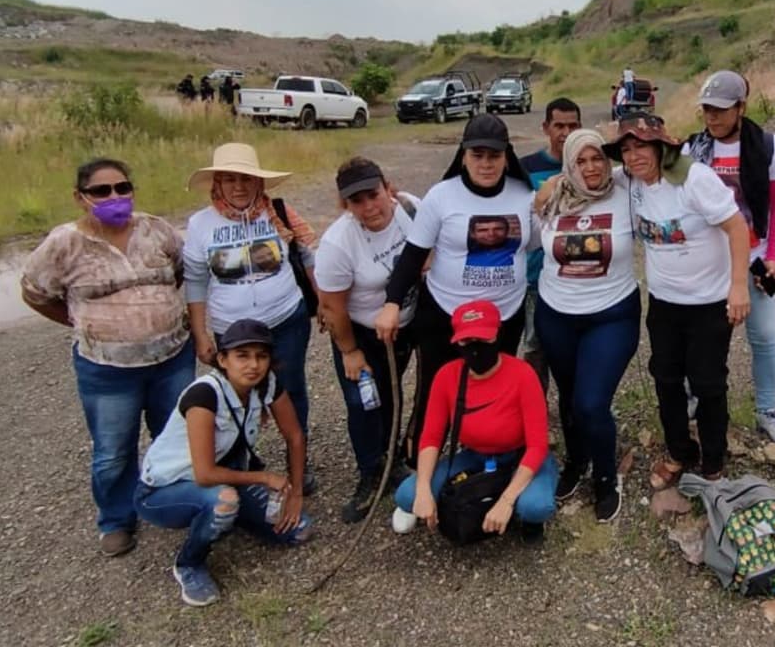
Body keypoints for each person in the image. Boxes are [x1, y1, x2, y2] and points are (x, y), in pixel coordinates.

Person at [20, 158, 196, 557]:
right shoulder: (64, 243)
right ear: (80, 198)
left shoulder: (156, 230)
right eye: (102, 191)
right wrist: (83, 321)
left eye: (122, 187)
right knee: (113, 449)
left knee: (176, 434)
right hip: (107, 369)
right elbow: (34, 293)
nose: (115, 196)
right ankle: (116, 520)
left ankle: (173, 500)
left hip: (172, 356)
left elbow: (181, 272)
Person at [375, 114, 536, 466]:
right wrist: (392, 302)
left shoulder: (524, 195)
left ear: (506, 156)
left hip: (503, 317)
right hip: (445, 314)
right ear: (463, 156)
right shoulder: (441, 196)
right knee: (435, 390)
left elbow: (534, 243)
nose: (486, 163)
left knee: (496, 389)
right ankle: (419, 461)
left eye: (494, 155)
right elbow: (413, 255)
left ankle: (482, 459)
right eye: (477, 155)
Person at [608, 113, 751, 486]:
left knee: (707, 383)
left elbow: (737, 227)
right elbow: (586, 174)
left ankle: (713, 461)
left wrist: (738, 287)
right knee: (666, 379)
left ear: (660, 145)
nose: (633, 155)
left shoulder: (694, 179)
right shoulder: (629, 181)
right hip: (665, 302)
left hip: (708, 303)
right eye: (625, 149)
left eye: (640, 145)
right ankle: (678, 451)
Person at [136, 319, 313, 606]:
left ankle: (234, 518)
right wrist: (265, 478)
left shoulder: (267, 384)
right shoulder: (204, 395)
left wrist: (296, 492)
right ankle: (189, 564)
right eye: (242, 356)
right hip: (164, 491)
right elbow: (205, 474)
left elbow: (294, 436)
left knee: (299, 529)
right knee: (224, 501)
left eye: (261, 356)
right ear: (223, 359)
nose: (253, 365)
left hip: (226, 478)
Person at [183, 142, 319, 492]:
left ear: (259, 182)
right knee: (236, 397)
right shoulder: (200, 225)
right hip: (231, 329)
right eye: (229, 179)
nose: (239, 187)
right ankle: (239, 468)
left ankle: (298, 464)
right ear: (217, 183)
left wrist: (326, 307)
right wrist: (201, 334)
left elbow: (307, 257)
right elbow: (196, 281)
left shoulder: (278, 212)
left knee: (291, 391)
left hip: (286, 318)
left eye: (246, 179)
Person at [533, 128, 639, 521]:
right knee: (568, 396)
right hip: (555, 313)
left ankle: (607, 476)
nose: (592, 167)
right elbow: (525, 240)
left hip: (611, 313)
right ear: (569, 164)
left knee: (591, 403)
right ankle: (577, 461)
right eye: (582, 160)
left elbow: (671, 174)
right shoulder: (552, 198)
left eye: (598, 158)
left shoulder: (627, 191)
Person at [684, 70, 775, 445]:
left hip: (755, 258)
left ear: (741, 107)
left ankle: (768, 410)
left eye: (720, 110)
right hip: (707, 261)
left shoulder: (769, 146)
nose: (712, 117)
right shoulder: (691, 149)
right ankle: (697, 397)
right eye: (707, 110)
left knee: (764, 336)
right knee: (704, 338)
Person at [392, 300, 557, 542]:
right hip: (476, 456)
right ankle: (482, 498)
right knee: (408, 495)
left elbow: (537, 445)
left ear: (498, 336)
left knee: (536, 506)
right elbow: (431, 438)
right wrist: (424, 488)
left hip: (519, 456)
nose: (475, 349)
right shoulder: (447, 376)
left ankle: (520, 510)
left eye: (483, 339)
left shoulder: (523, 375)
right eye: (466, 342)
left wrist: (506, 500)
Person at [316, 157, 421, 523]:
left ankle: (390, 460)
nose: (369, 207)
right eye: (356, 201)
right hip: (360, 332)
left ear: (387, 188)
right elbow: (331, 307)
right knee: (363, 405)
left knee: (390, 395)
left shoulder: (410, 208)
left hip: (403, 326)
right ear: (345, 204)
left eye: (373, 195)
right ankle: (369, 473)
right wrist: (350, 351)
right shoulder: (338, 243)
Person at [518, 97, 583, 393]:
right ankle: (535, 418)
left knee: (575, 352)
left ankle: (575, 412)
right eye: (559, 125)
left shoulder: (592, 166)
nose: (566, 132)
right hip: (535, 277)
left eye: (572, 125)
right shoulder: (525, 169)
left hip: (578, 279)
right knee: (534, 350)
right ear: (546, 127)